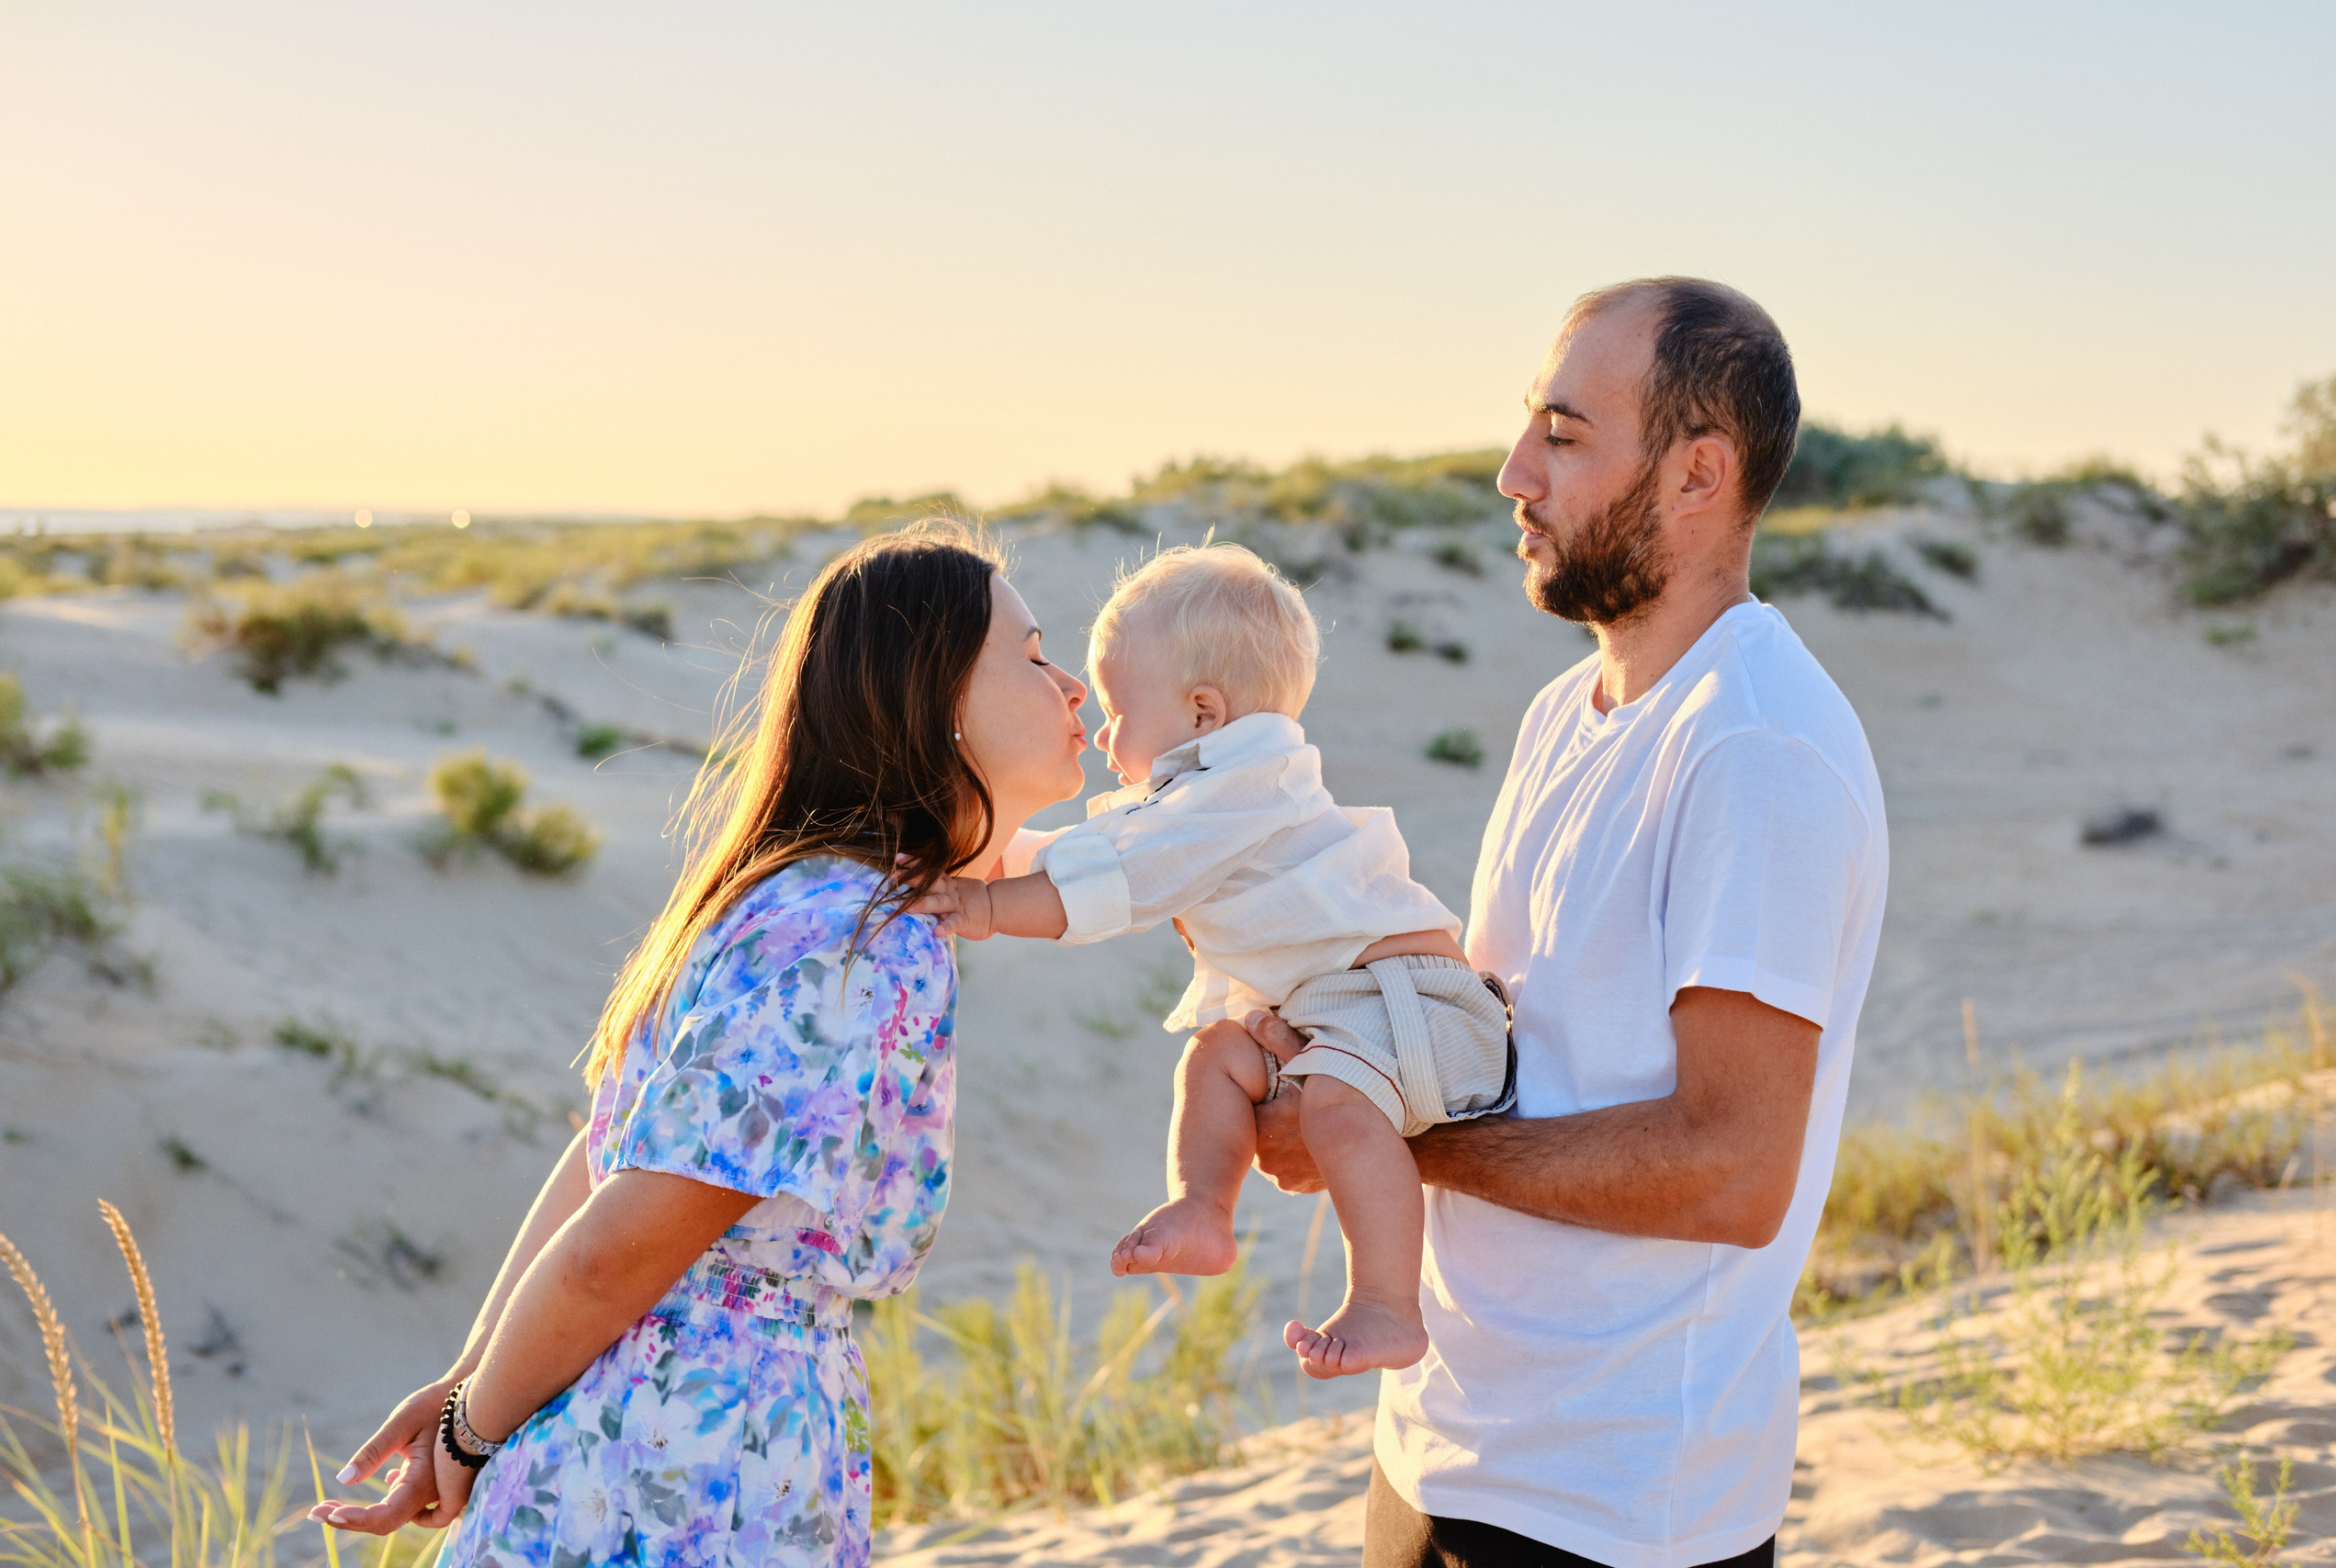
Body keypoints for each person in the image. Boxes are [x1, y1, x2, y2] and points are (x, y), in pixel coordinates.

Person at [1249, 278, 1890, 1568]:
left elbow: (1731, 1167)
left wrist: (1395, 1144)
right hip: (1443, 1441)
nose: (1512, 473)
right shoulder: (1568, 711)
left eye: (1562, 431)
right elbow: (1507, 1042)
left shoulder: (1754, 745)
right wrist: (1338, 1039)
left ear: (1698, 472)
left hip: (1615, 1502)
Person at [309, 520, 1089, 1568]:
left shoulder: (797, 897)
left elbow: (603, 1153)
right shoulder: (846, 937)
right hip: (694, 1455)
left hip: (644, 1427)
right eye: (1034, 656)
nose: (1073, 683)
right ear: (935, 699)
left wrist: (475, 1380)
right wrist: (471, 1421)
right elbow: (615, 1239)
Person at [918, 542, 1514, 1380]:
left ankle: (1388, 1303)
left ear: (1202, 710)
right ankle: (1204, 1208)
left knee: (1338, 1105)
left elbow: (1111, 880)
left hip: (1415, 1004)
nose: (1101, 726)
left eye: (1120, 711)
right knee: (1216, 1056)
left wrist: (981, 907)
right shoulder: (1204, 791)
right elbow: (1081, 853)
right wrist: (976, 852)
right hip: (1339, 1010)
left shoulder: (1246, 785)